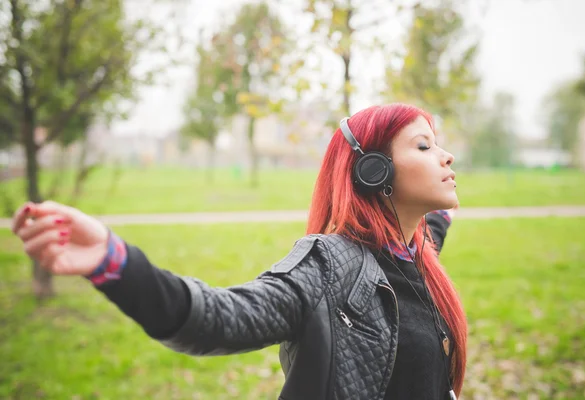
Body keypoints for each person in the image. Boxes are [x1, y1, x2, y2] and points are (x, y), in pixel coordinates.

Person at [11, 103, 467, 400]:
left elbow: (431, 232)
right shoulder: (329, 268)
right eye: (424, 146)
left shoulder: (417, 256)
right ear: (373, 172)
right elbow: (218, 317)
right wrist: (113, 261)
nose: (445, 156)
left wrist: (439, 213)